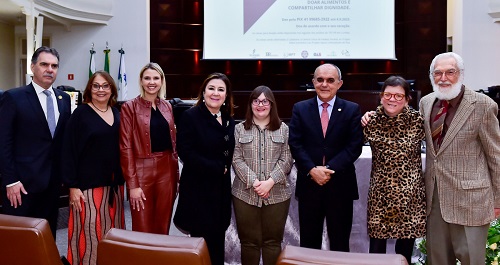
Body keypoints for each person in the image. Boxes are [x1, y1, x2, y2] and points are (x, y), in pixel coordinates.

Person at [421, 52, 500, 265]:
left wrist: (498, 199)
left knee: (471, 260)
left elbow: (495, 155)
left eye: (450, 72)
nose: (443, 78)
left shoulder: (482, 104)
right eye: (437, 73)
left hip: (471, 201)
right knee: (437, 260)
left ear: (461, 74)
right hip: (435, 201)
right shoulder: (426, 103)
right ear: (431, 76)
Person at [288, 63, 363, 251]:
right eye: (320, 80)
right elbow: (295, 144)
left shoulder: (351, 109)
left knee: (340, 243)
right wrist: (313, 170)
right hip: (310, 185)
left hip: (340, 186)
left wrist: (328, 169)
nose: (324, 84)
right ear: (313, 82)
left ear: (339, 84)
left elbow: (354, 147)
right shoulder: (300, 108)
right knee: (309, 243)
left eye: (330, 80)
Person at [0, 46, 71, 238]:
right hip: (21, 187)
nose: (50, 69)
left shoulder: (63, 99)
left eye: (54, 66)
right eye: (44, 64)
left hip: (52, 184)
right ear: (33, 67)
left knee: (47, 236)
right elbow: (3, 142)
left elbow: (62, 142)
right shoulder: (13, 97)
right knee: (20, 239)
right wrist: (10, 181)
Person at [62, 71, 125, 265]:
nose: (101, 90)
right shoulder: (80, 114)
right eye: (96, 86)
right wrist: (72, 186)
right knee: (90, 234)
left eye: (105, 86)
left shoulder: (116, 112)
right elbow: (68, 151)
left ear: (112, 89)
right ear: (90, 88)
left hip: (113, 187)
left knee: (112, 233)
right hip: (87, 189)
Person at [362, 76, 425, 264]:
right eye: (388, 94)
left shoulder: (418, 121)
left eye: (399, 96)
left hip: (410, 198)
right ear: (381, 97)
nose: (392, 99)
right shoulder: (370, 121)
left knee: (404, 253)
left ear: (407, 99)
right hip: (380, 197)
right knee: (377, 251)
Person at [174, 72, 236, 265]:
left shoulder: (228, 118)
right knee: (200, 244)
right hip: (198, 190)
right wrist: (216, 168)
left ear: (226, 95)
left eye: (220, 89)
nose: (215, 93)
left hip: (221, 190)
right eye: (211, 88)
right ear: (203, 91)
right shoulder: (190, 116)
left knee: (218, 239)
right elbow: (185, 152)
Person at [232, 85, 294, 265]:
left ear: (272, 104)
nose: (261, 105)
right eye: (256, 101)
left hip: (277, 194)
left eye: (265, 101)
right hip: (245, 194)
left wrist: (270, 182)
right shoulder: (239, 129)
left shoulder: (284, 129)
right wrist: (256, 183)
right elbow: (236, 158)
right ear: (250, 104)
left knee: (272, 242)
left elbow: (287, 158)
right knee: (249, 243)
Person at [119, 62, 179, 234]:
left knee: (163, 225)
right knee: (142, 226)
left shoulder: (167, 106)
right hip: (141, 171)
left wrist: (176, 175)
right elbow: (125, 147)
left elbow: (173, 144)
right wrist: (132, 185)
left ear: (161, 81)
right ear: (141, 81)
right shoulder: (129, 107)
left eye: (156, 78)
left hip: (167, 169)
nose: (151, 82)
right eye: (147, 78)